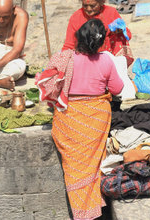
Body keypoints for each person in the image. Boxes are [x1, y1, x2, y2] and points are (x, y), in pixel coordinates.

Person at [36, 19, 124, 220]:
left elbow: (45, 83)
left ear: (78, 37)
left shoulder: (63, 58)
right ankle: (96, 212)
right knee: (93, 169)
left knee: (76, 171)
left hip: (69, 121)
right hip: (96, 121)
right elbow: (117, 89)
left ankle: (84, 214)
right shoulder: (107, 60)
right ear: (101, 42)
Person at [62, 0, 134, 66]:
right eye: (85, 5)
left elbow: (127, 35)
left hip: (108, 56)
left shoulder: (111, 12)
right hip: (85, 59)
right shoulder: (76, 17)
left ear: (101, 2)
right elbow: (69, 44)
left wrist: (118, 31)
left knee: (119, 37)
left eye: (93, 6)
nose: (88, 9)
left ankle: (115, 70)